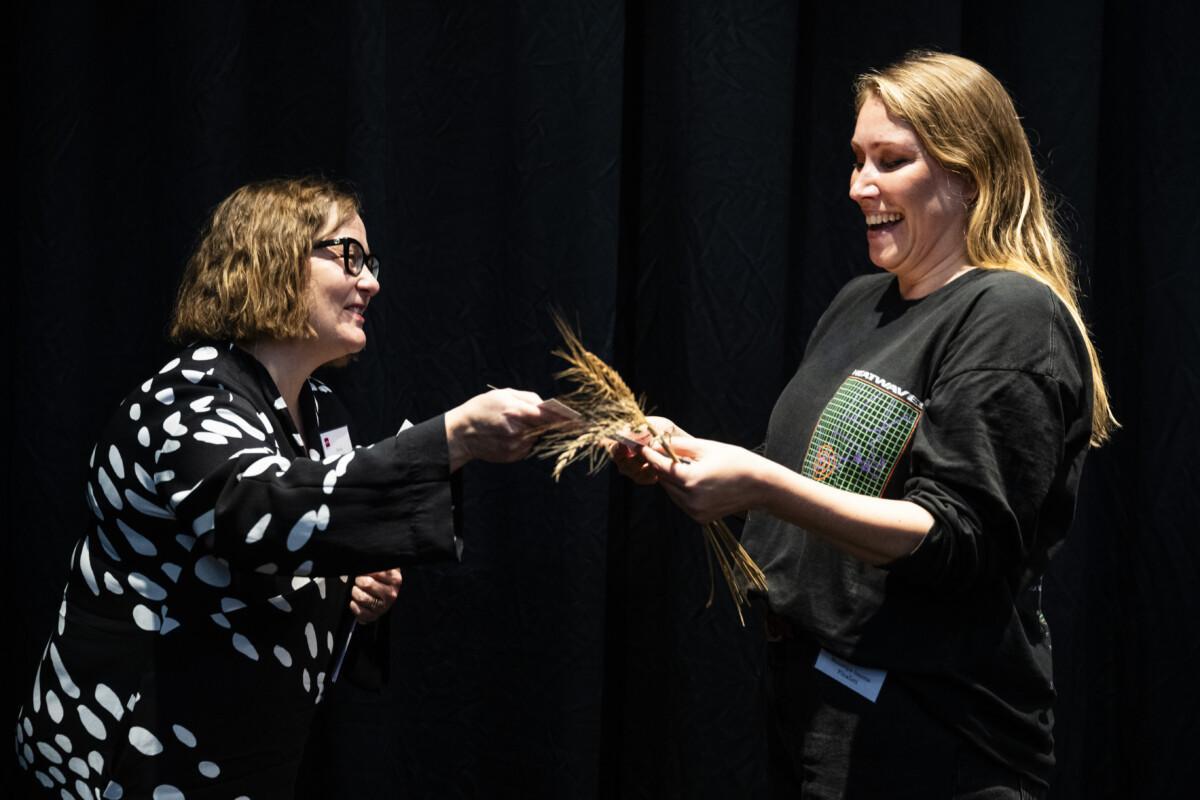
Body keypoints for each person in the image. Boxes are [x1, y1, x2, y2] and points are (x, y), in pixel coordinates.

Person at [617, 52, 1115, 797]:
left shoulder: (1010, 316)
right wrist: (701, 461)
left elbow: (957, 538)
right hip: (814, 705)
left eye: (892, 160)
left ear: (970, 171)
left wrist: (760, 483)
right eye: (857, 160)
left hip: (931, 736)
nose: (860, 187)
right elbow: (825, 475)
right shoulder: (863, 302)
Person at [15, 177, 556, 798]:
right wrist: (452, 439)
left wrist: (352, 583)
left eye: (370, 262)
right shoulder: (188, 395)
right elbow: (259, 512)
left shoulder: (323, 412)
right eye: (349, 256)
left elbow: (316, 532)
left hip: (245, 760)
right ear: (271, 256)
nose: (372, 281)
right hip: (127, 760)